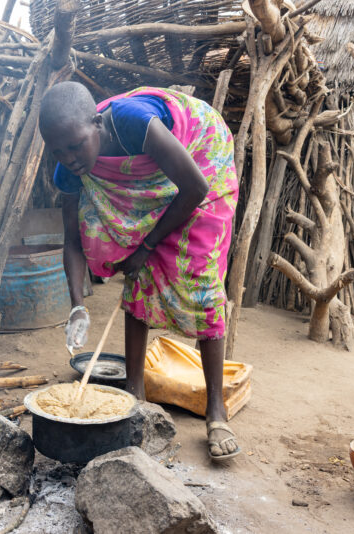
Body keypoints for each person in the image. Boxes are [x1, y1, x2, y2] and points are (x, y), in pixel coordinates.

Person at [38, 82, 240, 460]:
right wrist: (77, 304)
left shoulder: (134, 124)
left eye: (77, 145)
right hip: (158, 184)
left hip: (199, 158)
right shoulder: (69, 170)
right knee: (136, 275)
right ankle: (134, 391)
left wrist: (146, 245)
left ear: (97, 124)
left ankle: (217, 410)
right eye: (58, 151)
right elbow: (72, 240)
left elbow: (194, 187)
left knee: (200, 276)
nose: (70, 158)